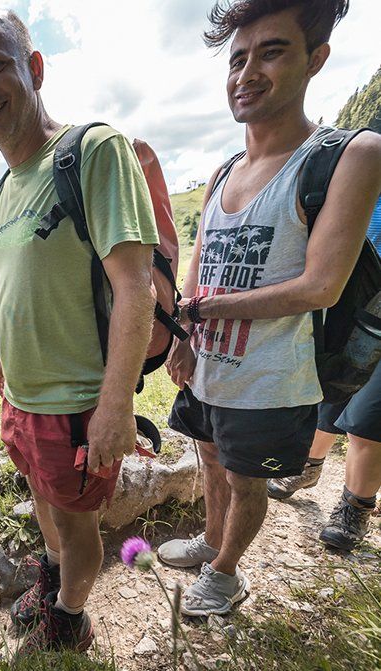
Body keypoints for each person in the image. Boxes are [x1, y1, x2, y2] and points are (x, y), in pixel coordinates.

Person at [160, 0, 381, 617]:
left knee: (245, 478)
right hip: (208, 364)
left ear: (316, 60)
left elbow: (321, 287)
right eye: (237, 59)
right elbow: (201, 266)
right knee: (209, 456)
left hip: (273, 376)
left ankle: (226, 574)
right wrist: (184, 335)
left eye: (272, 52)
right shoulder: (223, 171)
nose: (247, 73)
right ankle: (210, 541)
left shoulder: (349, 155)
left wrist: (210, 309)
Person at [0, 9, 158, 655]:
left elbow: (136, 286)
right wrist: (7, 361)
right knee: (44, 504)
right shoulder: (7, 186)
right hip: (21, 401)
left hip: (75, 406)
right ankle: (51, 579)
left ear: (35, 68)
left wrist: (115, 405)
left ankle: (70, 617)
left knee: (76, 527)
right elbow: (24, 284)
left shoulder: (92, 151)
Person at [268, 196, 381, 552]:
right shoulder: (365, 175)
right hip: (358, 298)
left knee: (367, 419)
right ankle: (309, 467)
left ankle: (355, 507)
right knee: (332, 389)